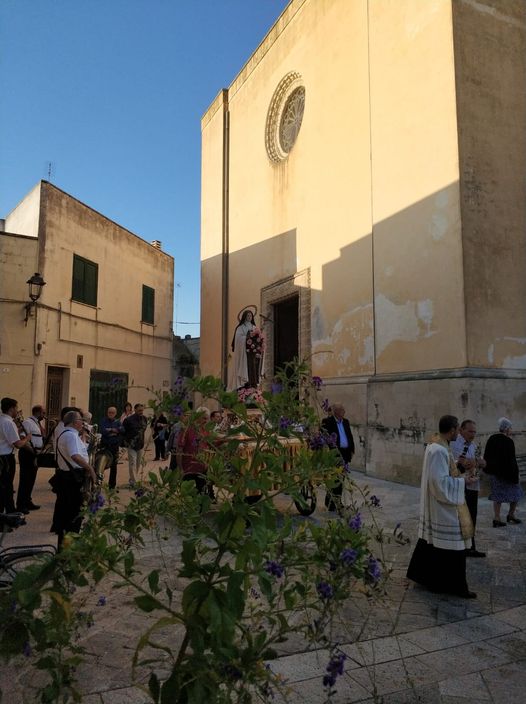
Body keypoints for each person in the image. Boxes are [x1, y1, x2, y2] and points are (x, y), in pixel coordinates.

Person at [406, 415, 476, 599]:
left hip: (437, 505)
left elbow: (443, 471)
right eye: (457, 429)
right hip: (443, 508)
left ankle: (430, 580)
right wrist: (464, 482)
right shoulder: (439, 450)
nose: (458, 433)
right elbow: (439, 483)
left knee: (434, 544)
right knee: (455, 545)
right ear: (452, 430)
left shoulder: (437, 445)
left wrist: (459, 468)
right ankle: (456, 587)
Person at [51, 410, 97, 549]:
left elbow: (78, 452)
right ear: (74, 422)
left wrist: (83, 438)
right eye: (81, 420)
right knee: (73, 516)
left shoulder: (66, 434)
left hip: (66, 477)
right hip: (72, 479)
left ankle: (64, 549)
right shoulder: (70, 435)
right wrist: (90, 469)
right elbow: (75, 456)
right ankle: (69, 550)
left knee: (67, 514)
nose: (83, 423)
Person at [450, 419, 486, 557]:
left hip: (473, 486)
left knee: (472, 517)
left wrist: (479, 462)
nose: (473, 434)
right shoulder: (455, 444)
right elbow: (463, 463)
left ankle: (470, 547)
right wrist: (475, 462)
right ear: (461, 430)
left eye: (474, 432)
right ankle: (461, 547)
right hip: (460, 486)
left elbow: (482, 462)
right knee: (462, 517)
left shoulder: (473, 446)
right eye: (470, 431)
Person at [484, 417, 523, 527]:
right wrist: (516, 475)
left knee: (497, 496)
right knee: (517, 493)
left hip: (495, 473)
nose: (511, 430)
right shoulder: (509, 441)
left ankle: (497, 518)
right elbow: (512, 460)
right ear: (506, 429)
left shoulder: (492, 438)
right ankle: (511, 515)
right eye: (510, 428)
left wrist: (488, 469)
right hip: (508, 474)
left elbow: (487, 455)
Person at [321, 403, 355, 511]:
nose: (344, 412)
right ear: (336, 411)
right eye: (341, 410)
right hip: (334, 453)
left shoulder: (346, 422)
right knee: (333, 479)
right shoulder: (328, 421)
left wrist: (352, 449)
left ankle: (337, 501)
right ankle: (330, 502)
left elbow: (349, 436)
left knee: (341, 479)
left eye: (343, 410)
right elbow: (324, 436)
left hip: (345, 454)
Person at [0, 398, 31, 514]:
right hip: (6, 458)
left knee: (2, 485)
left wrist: (17, 428)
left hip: (1, 457)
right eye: (16, 408)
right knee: (7, 486)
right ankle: (10, 512)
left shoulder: (2, 420)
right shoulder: (9, 423)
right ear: (11, 409)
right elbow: (17, 444)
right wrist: (27, 439)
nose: (17, 411)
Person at [16, 404, 46, 513]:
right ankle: (21, 505)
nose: (44, 415)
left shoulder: (36, 423)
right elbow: (23, 439)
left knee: (31, 480)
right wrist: (33, 452)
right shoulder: (28, 422)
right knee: (25, 480)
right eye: (43, 413)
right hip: (28, 454)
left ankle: (27, 501)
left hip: (35, 454)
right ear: (37, 412)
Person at [176, 407, 211, 494]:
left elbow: (209, 446)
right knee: (187, 494)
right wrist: (180, 469)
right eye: (204, 418)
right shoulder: (186, 430)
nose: (206, 421)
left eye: (207, 419)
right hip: (188, 469)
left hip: (201, 469)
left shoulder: (205, 431)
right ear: (197, 417)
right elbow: (179, 450)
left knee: (201, 493)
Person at [229, 309, 257, 390]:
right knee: (246, 367)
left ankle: (252, 384)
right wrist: (247, 337)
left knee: (253, 369)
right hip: (244, 353)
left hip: (252, 353)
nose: (249, 317)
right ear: (244, 317)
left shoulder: (254, 327)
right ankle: (245, 385)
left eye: (251, 316)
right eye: (248, 315)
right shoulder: (240, 328)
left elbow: (257, 338)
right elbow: (238, 339)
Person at [122, 403, 147, 485]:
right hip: (131, 445)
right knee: (132, 462)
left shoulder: (144, 419)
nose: (141, 412)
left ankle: (132, 480)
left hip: (140, 444)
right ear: (135, 410)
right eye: (139, 410)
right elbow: (123, 431)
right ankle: (136, 482)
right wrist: (126, 442)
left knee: (138, 464)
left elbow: (144, 430)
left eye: (142, 410)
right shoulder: (128, 420)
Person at [99, 406, 123, 490]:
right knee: (101, 466)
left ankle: (112, 486)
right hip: (105, 447)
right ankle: (99, 485)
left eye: (112, 413)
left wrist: (110, 430)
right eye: (109, 412)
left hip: (114, 447)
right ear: (107, 413)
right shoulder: (103, 421)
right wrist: (113, 431)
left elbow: (122, 430)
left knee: (114, 467)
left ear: (115, 413)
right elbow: (102, 431)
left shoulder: (118, 422)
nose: (111, 414)